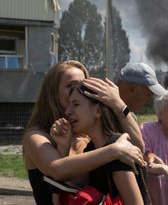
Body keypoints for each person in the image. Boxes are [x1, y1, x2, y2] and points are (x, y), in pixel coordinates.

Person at [23, 60, 145, 205]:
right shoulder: (36, 135)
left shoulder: (91, 139)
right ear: (53, 93)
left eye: (84, 84)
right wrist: (114, 150)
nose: (81, 89)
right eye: (71, 86)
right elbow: (57, 170)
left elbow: (137, 148)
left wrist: (118, 104)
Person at [62, 84, 146, 204]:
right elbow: (70, 184)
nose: (67, 111)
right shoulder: (92, 149)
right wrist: (63, 145)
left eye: (76, 104)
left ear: (98, 111)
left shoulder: (120, 152)